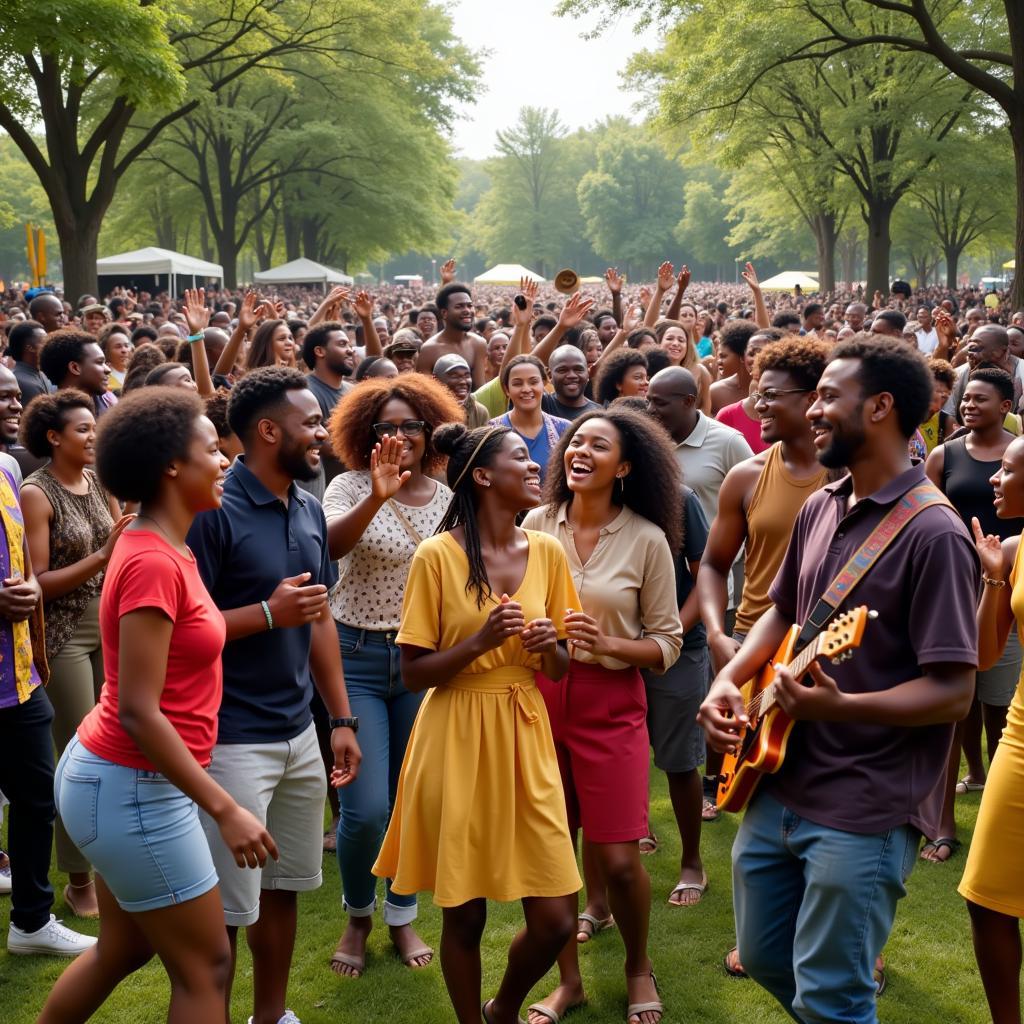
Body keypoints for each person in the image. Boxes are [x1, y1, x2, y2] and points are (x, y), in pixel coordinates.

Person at [699, 335, 979, 1024]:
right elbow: (784, 614)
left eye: (829, 396)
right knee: (766, 958)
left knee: (833, 994)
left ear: (881, 407)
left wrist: (839, 705)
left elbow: (954, 692)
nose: (812, 410)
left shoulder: (935, 534)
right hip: (779, 775)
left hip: (866, 805)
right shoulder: (823, 504)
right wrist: (730, 678)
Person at [34, 387, 276, 1022]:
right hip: (131, 785)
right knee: (207, 969)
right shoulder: (149, 560)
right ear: (173, 464)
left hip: (127, 782)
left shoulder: (170, 546)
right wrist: (225, 810)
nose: (224, 460)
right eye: (210, 449)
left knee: (123, 949)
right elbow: (140, 710)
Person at [373, 422, 581, 1024]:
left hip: (524, 729)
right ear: (485, 476)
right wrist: (478, 641)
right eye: (523, 456)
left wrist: (548, 646)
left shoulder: (546, 550)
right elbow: (413, 674)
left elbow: (562, 668)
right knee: (464, 913)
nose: (538, 463)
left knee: (556, 918)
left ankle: (503, 1009)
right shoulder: (437, 556)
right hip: (455, 733)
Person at [186, 366, 361, 1024]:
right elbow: (181, 631)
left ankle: (271, 1013)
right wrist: (265, 612)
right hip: (229, 740)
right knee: (228, 907)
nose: (321, 432)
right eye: (309, 422)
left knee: (284, 887)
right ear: (266, 432)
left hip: (298, 734)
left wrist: (338, 717)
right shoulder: (212, 515)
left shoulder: (309, 506)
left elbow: (317, 617)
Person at [523, 408, 683, 1024]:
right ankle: (568, 981)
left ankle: (638, 966)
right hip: (537, 698)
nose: (579, 451)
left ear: (625, 467)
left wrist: (610, 644)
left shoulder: (646, 538)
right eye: (575, 441)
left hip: (612, 704)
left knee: (618, 857)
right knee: (552, 848)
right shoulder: (536, 523)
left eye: (598, 445)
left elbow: (667, 644)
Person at [322, 375, 461, 979]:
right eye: (387, 427)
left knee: (415, 799)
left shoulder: (449, 493)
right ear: (367, 434)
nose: (400, 436)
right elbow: (328, 546)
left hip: (421, 662)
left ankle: (402, 916)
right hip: (355, 654)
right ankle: (358, 915)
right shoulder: (347, 486)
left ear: (429, 430)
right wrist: (377, 496)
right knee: (367, 806)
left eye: (411, 426)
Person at [19, 391, 131, 919]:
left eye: (95, 428)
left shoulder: (99, 482)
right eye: (83, 429)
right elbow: (38, 583)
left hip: (106, 627)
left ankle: (107, 858)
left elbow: (117, 554)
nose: (93, 436)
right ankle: (78, 877)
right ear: (53, 436)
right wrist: (105, 554)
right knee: (77, 752)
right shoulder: (36, 493)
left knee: (111, 748)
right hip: (63, 635)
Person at [0, 373, 96, 959]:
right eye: (2, 395)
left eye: (15, 392)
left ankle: (31, 921)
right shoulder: (33, 486)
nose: (15, 403)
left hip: (17, 670)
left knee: (39, 796)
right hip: (57, 640)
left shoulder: (6, 471)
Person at [923, 367, 1024, 862]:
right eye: (965, 398)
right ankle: (943, 820)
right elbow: (922, 516)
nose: (968, 405)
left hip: (1009, 586)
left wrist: (1002, 566)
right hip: (955, 589)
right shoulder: (945, 455)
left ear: (1006, 406)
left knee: (1000, 701)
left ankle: (995, 784)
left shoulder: (1018, 453)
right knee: (953, 700)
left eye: (980, 399)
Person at [962, 434, 1024, 1024]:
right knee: (985, 898)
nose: (994, 480)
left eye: (1007, 469)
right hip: (1021, 741)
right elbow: (984, 655)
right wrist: (994, 577)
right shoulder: (1014, 549)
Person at [491, 356, 570, 485]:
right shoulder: (492, 431)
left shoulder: (564, 429)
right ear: (506, 390)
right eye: (517, 383)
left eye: (533, 382)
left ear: (544, 383)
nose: (526, 389)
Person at [714, 328, 785, 454]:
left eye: (764, 352)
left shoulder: (796, 412)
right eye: (752, 353)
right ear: (743, 359)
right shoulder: (727, 415)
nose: (758, 359)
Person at [416, 282, 488, 386]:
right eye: (459, 306)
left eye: (469, 306)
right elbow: (425, 394)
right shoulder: (429, 350)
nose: (467, 310)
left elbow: (480, 389)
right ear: (444, 313)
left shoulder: (478, 344)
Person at [38, 329, 116, 418]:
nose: (108, 370)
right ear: (75, 368)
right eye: (99, 362)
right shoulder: (50, 418)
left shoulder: (110, 404)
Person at [655, 319, 712, 412]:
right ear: (658, 343)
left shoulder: (700, 372)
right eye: (669, 339)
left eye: (681, 340)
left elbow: (706, 410)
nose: (676, 343)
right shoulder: (649, 370)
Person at [709, 322, 759, 415]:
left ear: (742, 357)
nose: (719, 361)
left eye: (723, 356)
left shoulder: (769, 390)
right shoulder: (715, 392)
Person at [543, 346, 602, 421]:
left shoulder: (598, 414)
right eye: (563, 370)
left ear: (588, 373)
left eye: (578, 369)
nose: (572, 375)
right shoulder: (541, 405)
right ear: (550, 375)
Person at [433, 353, 489, 428]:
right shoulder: (427, 411)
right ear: (436, 380)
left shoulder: (479, 412)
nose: (463, 382)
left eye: (467, 376)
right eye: (455, 376)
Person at [8, 320, 52, 404]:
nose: (49, 345)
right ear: (30, 348)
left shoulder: (39, 373)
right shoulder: (24, 383)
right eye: (44, 342)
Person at [97, 323, 133, 392]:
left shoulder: (133, 373)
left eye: (126, 346)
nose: (124, 350)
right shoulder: (102, 379)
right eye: (118, 347)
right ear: (106, 351)